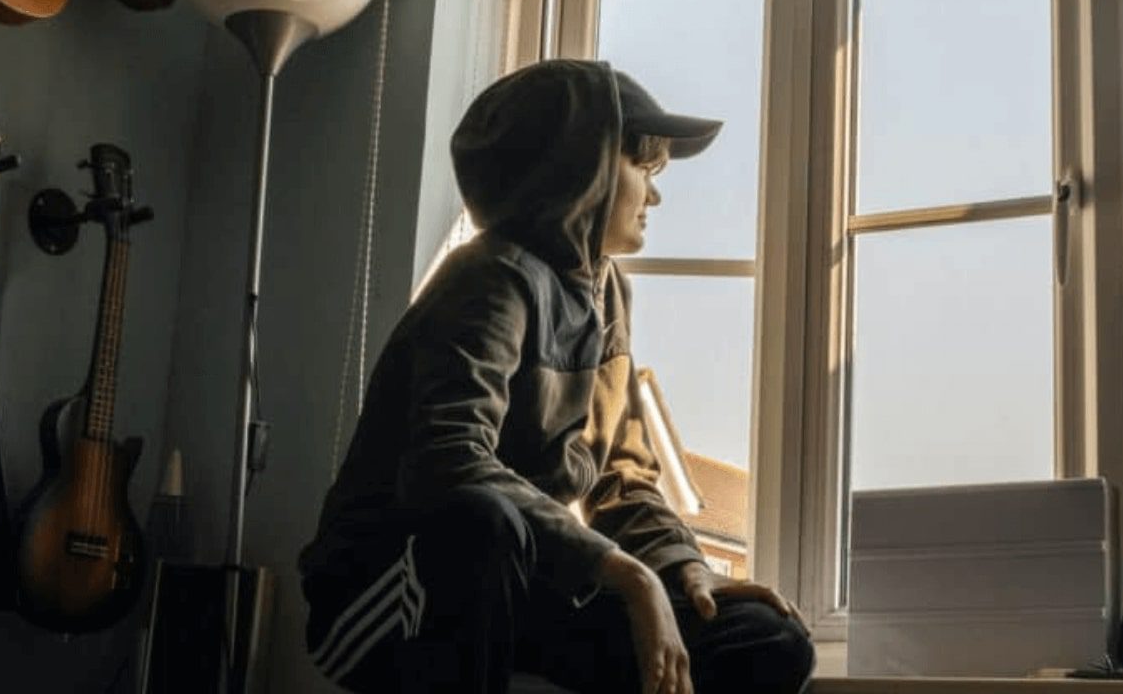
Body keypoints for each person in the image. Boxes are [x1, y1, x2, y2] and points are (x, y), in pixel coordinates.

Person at [299, 59, 815, 694]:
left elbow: (624, 477)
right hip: (382, 588)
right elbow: (448, 461)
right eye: (643, 169)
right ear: (583, 169)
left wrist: (685, 567)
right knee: (482, 520)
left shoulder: (608, 292)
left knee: (768, 638)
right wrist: (627, 573)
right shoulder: (490, 278)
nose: (654, 196)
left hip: (522, 582)